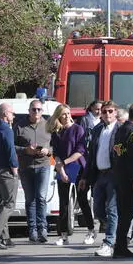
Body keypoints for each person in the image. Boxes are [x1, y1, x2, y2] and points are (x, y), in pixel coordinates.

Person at [47, 104, 93, 246]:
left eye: (68, 113)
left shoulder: (78, 129)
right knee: (64, 203)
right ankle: (63, 235)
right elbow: (55, 153)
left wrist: (64, 163)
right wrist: (60, 169)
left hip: (78, 167)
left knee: (82, 199)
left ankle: (91, 231)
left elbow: (80, 151)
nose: (66, 116)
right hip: (63, 168)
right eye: (63, 114)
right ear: (58, 116)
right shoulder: (56, 132)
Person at [79, 101, 120, 257]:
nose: (107, 114)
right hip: (99, 174)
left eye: (110, 111)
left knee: (111, 208)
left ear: (115, 112)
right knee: (98, 210)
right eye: (104, 112)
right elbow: (90, 156)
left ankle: (109, 242)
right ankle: (117, 230)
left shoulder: (120, 130)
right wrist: (85, 177)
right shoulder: (97, 130)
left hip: (114, 175)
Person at [112, 102, 133, 259]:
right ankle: (120, 247)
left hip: (120, 176)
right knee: (126, 214)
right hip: (128, 179)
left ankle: (120, 246)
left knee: (123, 213)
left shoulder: (120, 130)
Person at [14, 99, 52, 243]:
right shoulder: (20, 126)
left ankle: (43, 228)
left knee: (41, 197)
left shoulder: (48, 125)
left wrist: (48, 151)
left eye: (39, 109)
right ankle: (32, 230)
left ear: (42, 111)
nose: (36, 112)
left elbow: (56, 146)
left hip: (43, 165)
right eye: (33, 109)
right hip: (26, 167)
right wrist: (26, 150)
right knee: (30, 199)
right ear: (29, 111)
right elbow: (12, 146)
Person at [0, 103, 18, 249]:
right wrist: (14, 168)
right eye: (11, 113)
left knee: (1, 204)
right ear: (4, 114)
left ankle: (6, 237)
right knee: (9, 204)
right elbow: (11, 150)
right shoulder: (6, 129)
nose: (13, 115)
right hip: (5, 172)